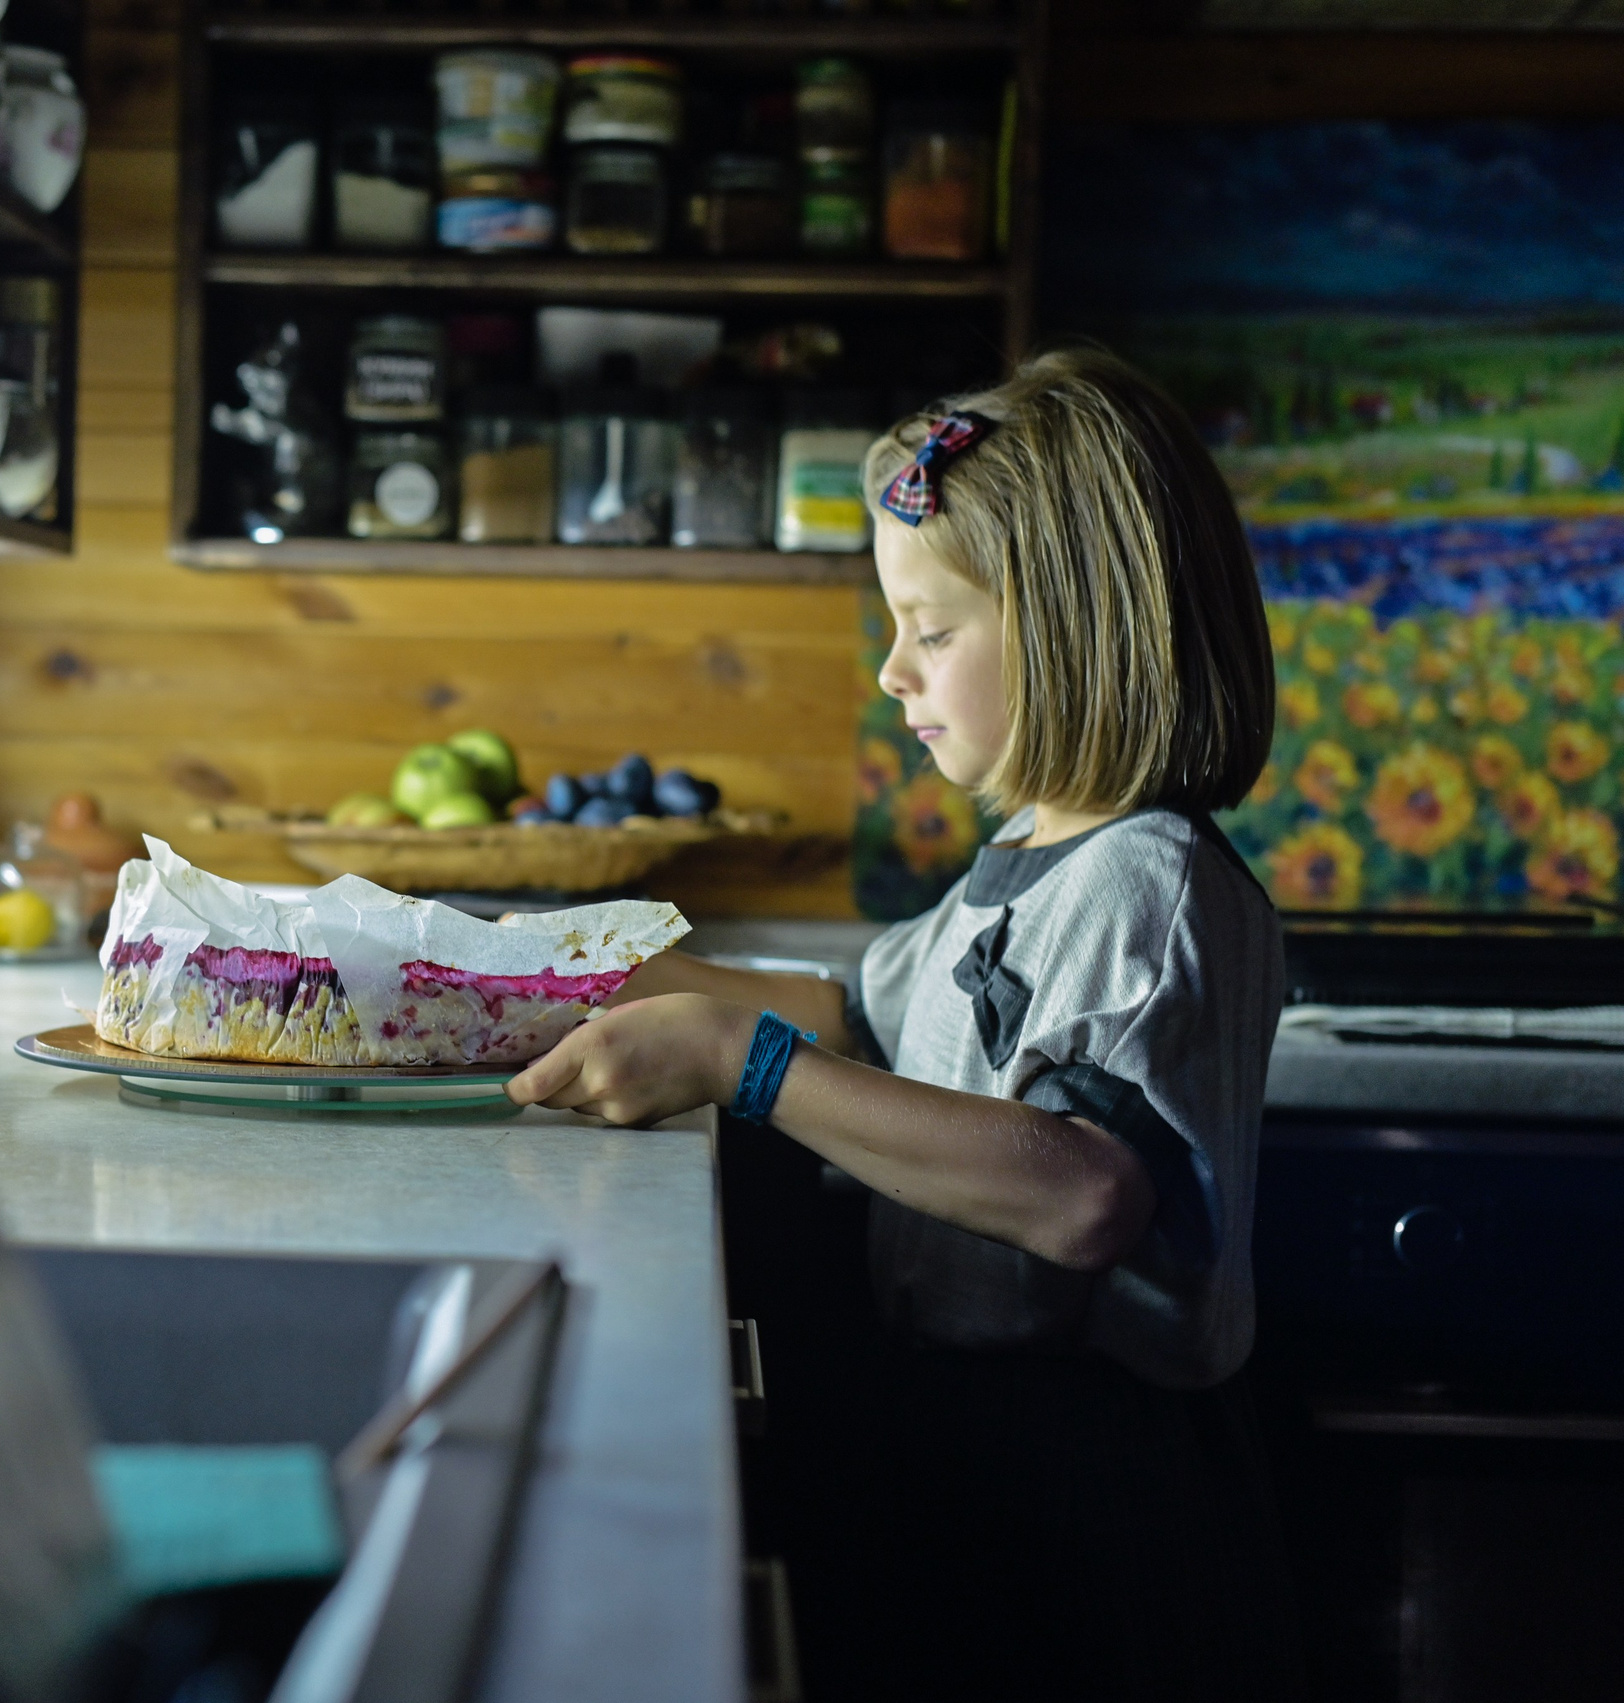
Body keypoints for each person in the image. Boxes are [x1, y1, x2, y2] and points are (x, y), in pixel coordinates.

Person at [508, 349, 1304, 1700]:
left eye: (932, 633)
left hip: (1093, 1488)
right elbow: (861, 1014)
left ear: (1074, 630)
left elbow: (1082, 1196)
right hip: (977, 1444)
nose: (895, 673)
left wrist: (733, 1060)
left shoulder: (1143, 879)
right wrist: (564, 970)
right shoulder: (1035, 855)